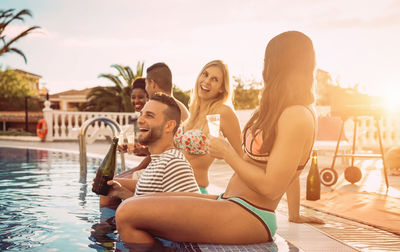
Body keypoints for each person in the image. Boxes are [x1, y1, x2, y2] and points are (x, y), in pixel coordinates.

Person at [115, 31, 323, 248]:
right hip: (230, 200)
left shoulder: (297, 115)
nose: (264, 66)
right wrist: (294, 214)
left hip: (251, 214)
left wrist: (226, 153)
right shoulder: (282, 110)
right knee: (135, 203)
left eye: (267, 60)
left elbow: (272, 186)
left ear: (279, 64)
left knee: (127, 213)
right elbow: (286, 168)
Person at [101, 93, 200, 209]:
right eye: (141, 114)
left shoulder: (173, 163)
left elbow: (189, 216)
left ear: (169, 126)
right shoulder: (157, 161)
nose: (140, 120)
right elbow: (151, 205)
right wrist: (121, 192)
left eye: (149, 115)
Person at [174, 60, 242, 194]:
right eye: (205, 74)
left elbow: (241, 156)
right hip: (172, 187)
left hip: (193, 191)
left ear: (222, 88)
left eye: (214, 79)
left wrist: (233, 192)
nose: (206, 81)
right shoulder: (194, 111)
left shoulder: (223, 112)